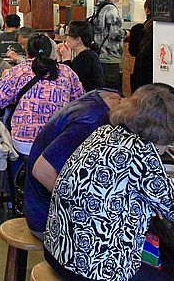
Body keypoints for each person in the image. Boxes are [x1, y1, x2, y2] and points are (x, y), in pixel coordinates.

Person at [44, 84, 174, 281]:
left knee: (166, 258)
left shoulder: (105, 133)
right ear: (165, 129)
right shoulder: (140, 152)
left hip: (60, 252)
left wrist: (150, 202)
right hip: (92, 270)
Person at [24, 88, 123, 237]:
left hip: (40, 203)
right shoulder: (92, 122)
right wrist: (85, 209)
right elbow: (42, 171)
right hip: (45, 218)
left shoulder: (103, 95)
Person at [0, 34, 85, 155]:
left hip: (23, 143)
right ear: (51, 52)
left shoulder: (18, 70)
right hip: (56, 141)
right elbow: (80, 101)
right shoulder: (67, 71)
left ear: (27, 52)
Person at [91, 0, 128, 91]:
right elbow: (115, 33)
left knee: (102, 89)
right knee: (112, 91)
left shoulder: (99, 7)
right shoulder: (111, 10)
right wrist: (126, 33)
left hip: (99, 53)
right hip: (110, 56)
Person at [55, 21, 105, 92]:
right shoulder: (81, 56)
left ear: (78, 39)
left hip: (88, 100)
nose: (66, 38)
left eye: (68, 35)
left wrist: (67, 59)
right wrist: (59, 57)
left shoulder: (86, 57)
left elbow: (69, 82)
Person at [130, 0, 153, 92]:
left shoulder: (137, 30)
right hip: (155, 79)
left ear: (147, 11)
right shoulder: (164, 31)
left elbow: (132, 51)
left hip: (140, 78)